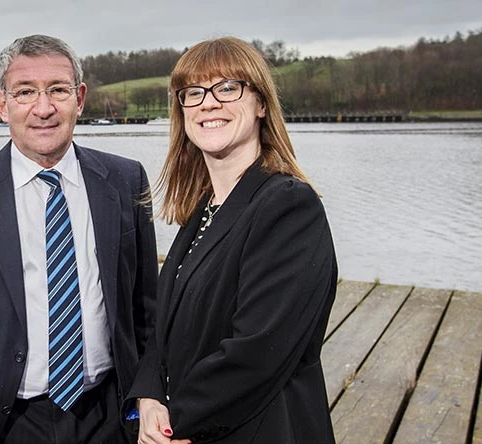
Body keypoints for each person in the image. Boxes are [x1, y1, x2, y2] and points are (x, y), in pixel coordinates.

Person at [0, 34, 158, 444]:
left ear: (80, 97)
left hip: (107, 416)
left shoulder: (125, 180)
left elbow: (147, 308)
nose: (44, 108)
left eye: (57, 90)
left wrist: (147, 397)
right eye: (25, 92)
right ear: (3, 105)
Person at [128, 36, 338, 444]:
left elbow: (259, 350)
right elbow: (164, 328)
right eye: (193, 93)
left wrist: (176, 419)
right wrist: (150, 395)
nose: (209, 103)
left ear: (261, 104)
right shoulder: (204, 209)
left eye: (228, 88)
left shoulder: (288, 206)